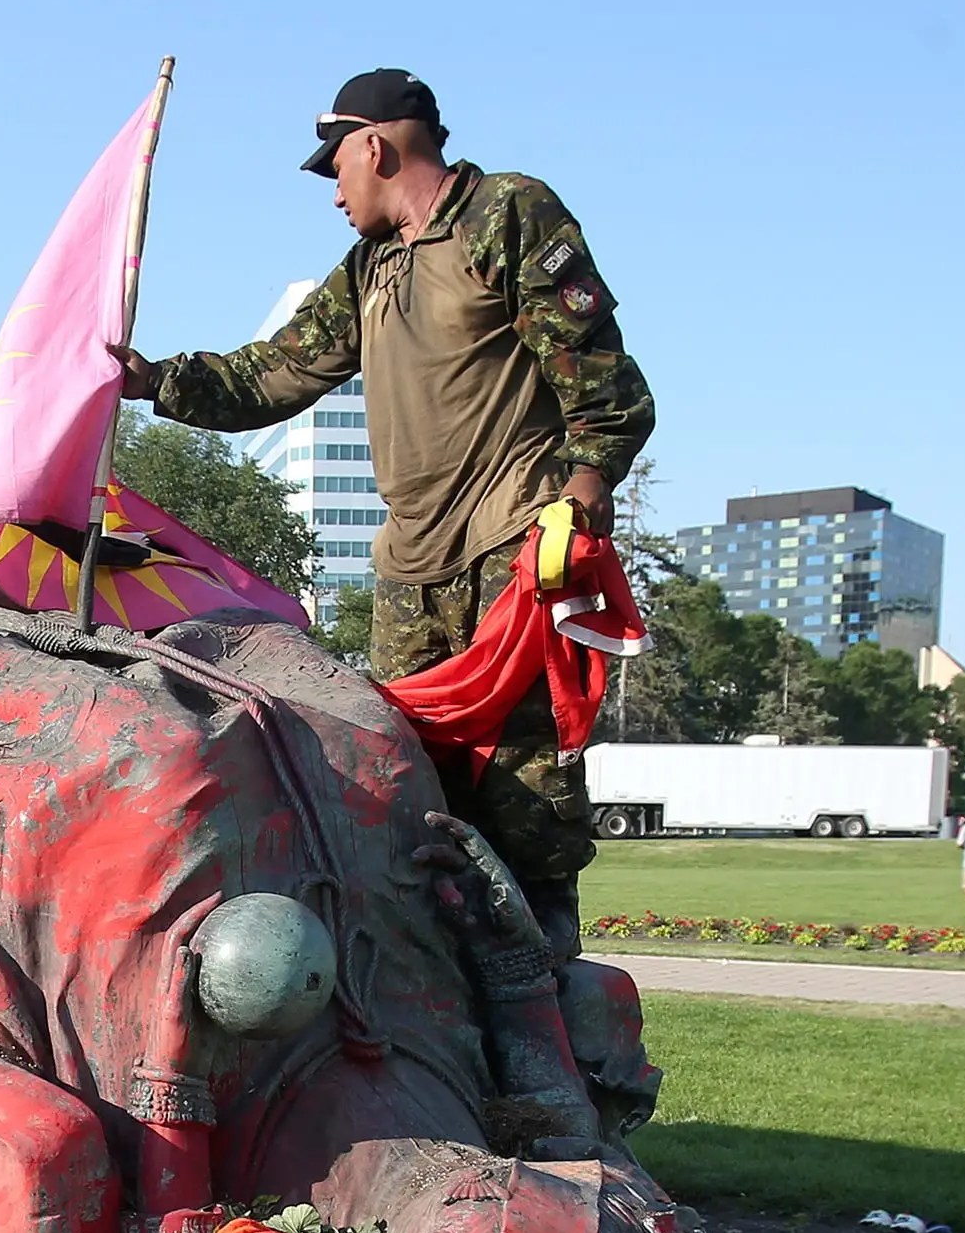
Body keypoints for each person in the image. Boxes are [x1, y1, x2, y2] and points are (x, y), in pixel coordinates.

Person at [113, 69, 655, 950]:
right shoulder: (371, 267)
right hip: (411, 569)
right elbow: (273, 372)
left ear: (375, 144)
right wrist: (152, 381)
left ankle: (553, 1021)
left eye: (335, 167)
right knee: (401, 791)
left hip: (512, 547)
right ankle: (430, 1008)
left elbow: (606, 388)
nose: (334, 191)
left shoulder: (507, 213)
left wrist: (583, 494)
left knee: (524, 806)